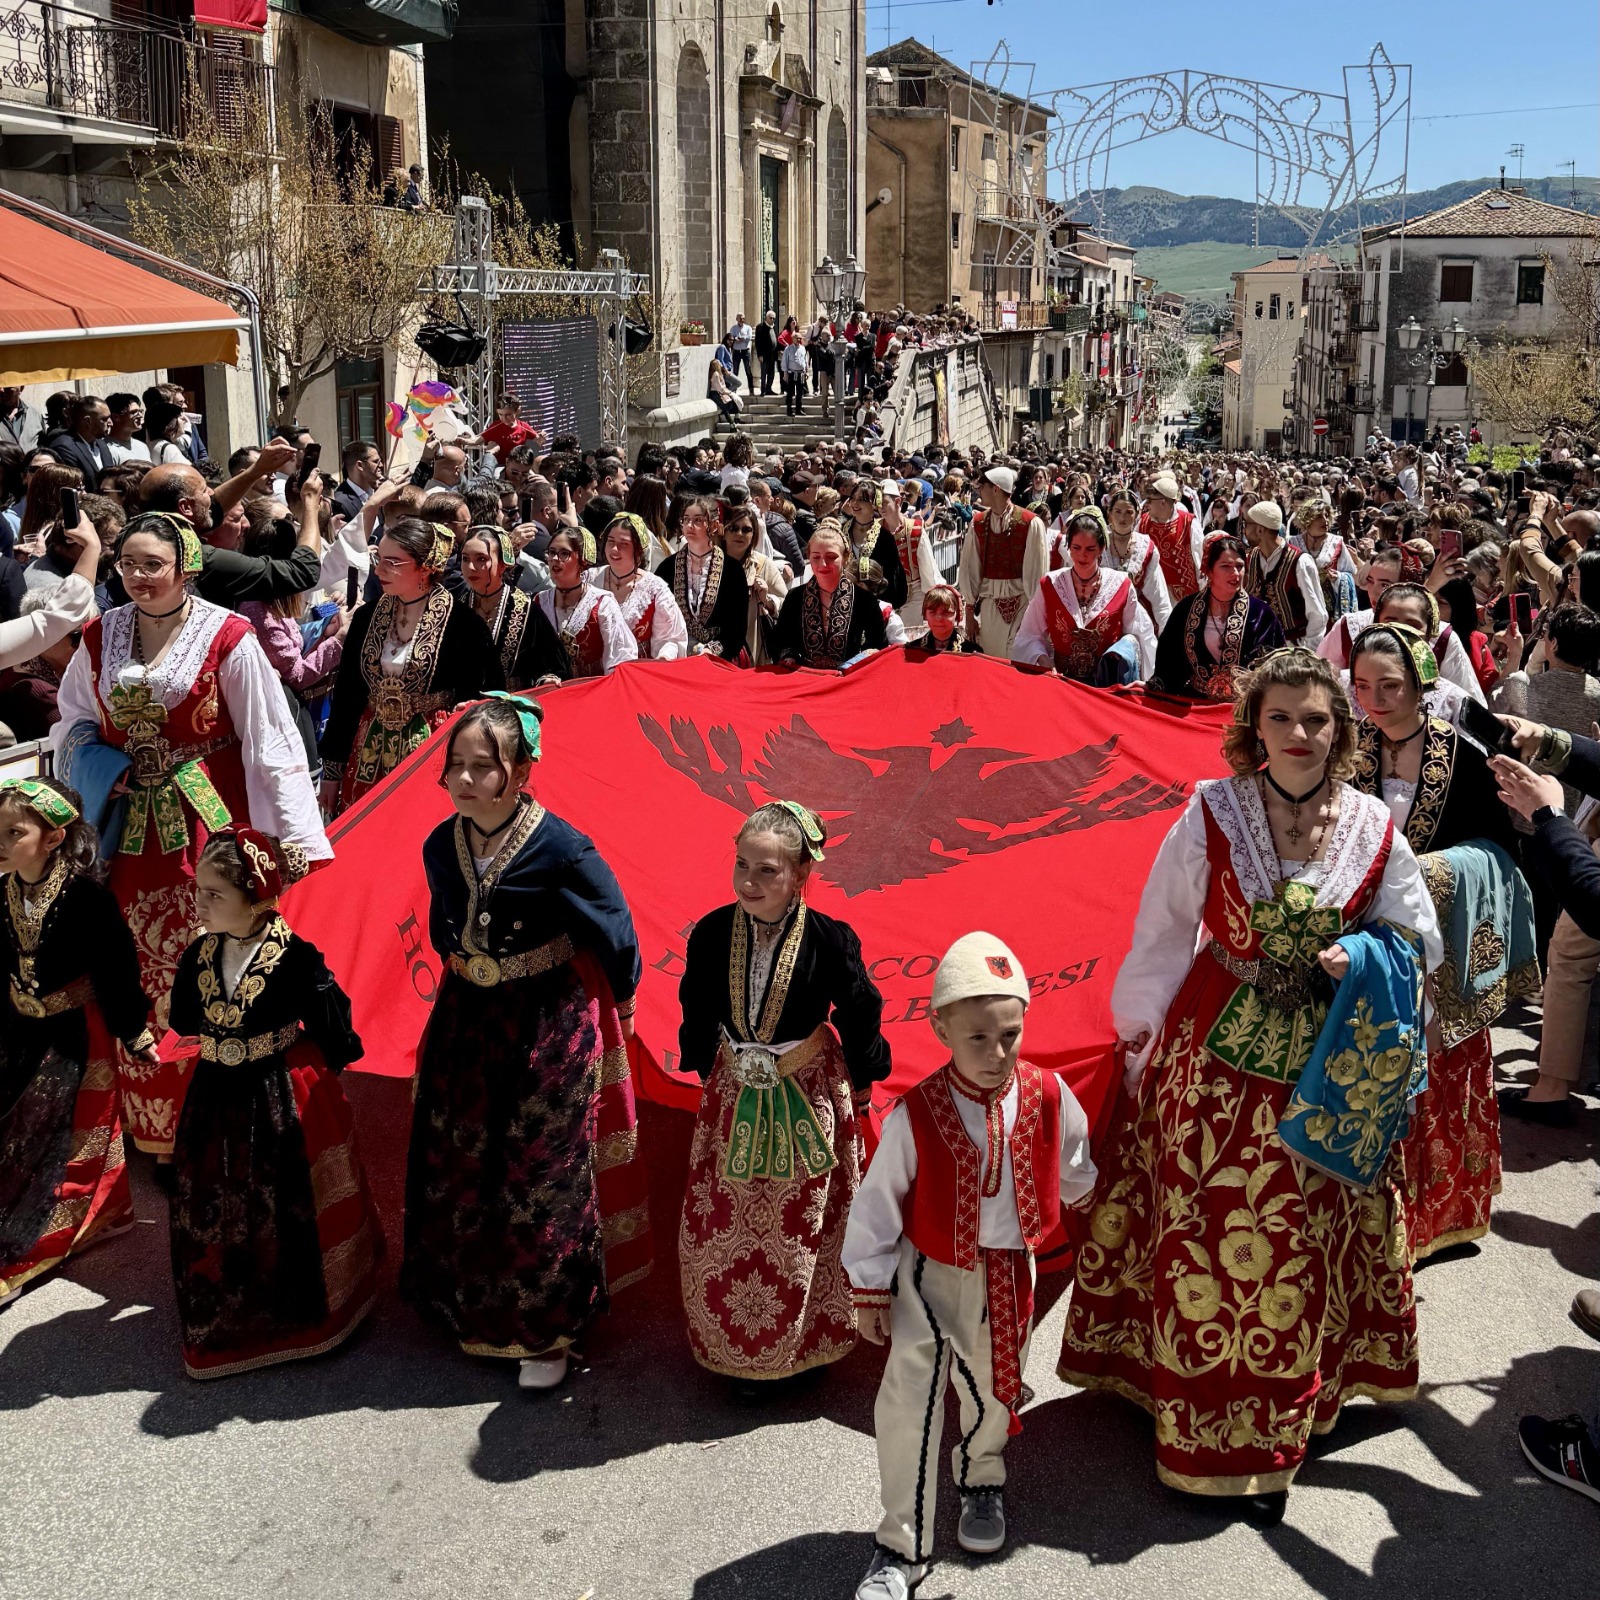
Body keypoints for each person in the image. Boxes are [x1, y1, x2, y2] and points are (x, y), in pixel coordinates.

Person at [1060, 649, 1441, 1514]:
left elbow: (1418, 940)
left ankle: (1294, 1403)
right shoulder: (1210, 810)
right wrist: (1140, 1035)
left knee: (1309, 1231)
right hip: (1214, 1055)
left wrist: (1369, 954)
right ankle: (1189, 1400)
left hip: (1327, 1060)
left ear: (1341, 730)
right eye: (1281, 718)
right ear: (1252, 728)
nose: (1300, 735)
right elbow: (1162, 928)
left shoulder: (1377, 828)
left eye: (1316, 720)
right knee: (1206, 1223)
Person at [51, 512, 331, 1155]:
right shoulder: (100, 636)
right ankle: (146, 1128)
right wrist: (101, 765)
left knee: (206, 956)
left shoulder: (228, 636)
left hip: (207, 825)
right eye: (127, 565)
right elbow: (71, 722)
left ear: (186, 567)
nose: (139, 577)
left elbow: (270, 740)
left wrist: (292, 838)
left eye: (153, 564)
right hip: (123, 836)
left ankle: (214, 1119)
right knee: (126, 963)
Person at [403, 696, 651, 1389]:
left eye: (484, 767)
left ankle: (550, 1331)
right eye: (456, 765)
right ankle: (471, 1306)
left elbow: (615, 928)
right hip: (466, 1018)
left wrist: (623, 1007)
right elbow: (445, 926)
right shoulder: (438, 845)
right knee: (462, 1157)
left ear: (522, 771)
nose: (464, 780)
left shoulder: (564, 849)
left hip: (546, 1020)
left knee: (542, 1172)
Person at [843, 932, 1097, 1597]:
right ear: (941, 1029)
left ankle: (981, 1479)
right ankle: (902, 1547)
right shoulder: (918, 1112)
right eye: (978, 1038)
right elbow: (878, 1201)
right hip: (927, 1277)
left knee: (993, 1389)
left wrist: (1089, 1202)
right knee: (910, 1401)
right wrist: (870, 1285)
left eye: (1009, 1034)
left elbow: (1075, 1164)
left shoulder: (1047, 1094)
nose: (997, 1053)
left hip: (1012, 1276)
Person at [677, 800, 889, 1383]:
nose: (750, 880)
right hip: (736, 1088)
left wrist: (867, 1076)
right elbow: (696, 1000)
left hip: (807, 1094)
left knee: (802, 1223)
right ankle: (730, 1345)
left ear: (801, 876)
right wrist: (704, 1062)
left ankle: (803, 1347)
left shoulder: (829, 938)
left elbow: (861, 1008)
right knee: (726, 1215)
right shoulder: (714, 931)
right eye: (742, 864)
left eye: (768, 870)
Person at [166, 829, 381, 1377]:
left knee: (284, 1198)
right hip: (215, 1090)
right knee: (212, 1192)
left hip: (276, 1092)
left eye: (215, 893)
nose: (201, 903)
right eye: (201, 890)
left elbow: (336, 1028)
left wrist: (320, 1074)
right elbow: (184, 1020)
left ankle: (295, 1309)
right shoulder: (199, 953)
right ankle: (227, 1300)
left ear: (257, 896)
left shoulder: (297, 960)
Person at [1347, 624, 1533, 1259]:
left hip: (1440, 946)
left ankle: (1440, 1217)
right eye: (1362, 684)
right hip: (1368, 940)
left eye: (1390, 686)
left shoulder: (1465, 756)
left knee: (1438, 1073)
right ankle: (1373, 1218)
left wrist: (1433, 874)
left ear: (1422, 683)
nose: (1374, 698)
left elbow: (1501, 853)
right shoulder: (1350, 750)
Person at [0, 776, 153, 1307]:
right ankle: (109, 1211)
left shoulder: (87, 898)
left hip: (74, 1033)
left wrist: (133, 1030)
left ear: (52, 839)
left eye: (11, 832)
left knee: (67, 1132)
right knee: (17, 1130)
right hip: (18, 1027)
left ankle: (43, 1240)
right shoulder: (4, 891)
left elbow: (117, 970)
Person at [319, 518, 503, 814]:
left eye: (393, 562)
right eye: (379, 559)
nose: (379, 570)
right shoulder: (367, 618)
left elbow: (485, 698)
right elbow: (347, 696)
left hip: (433, 751)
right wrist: (332, 772)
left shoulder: (464, 624)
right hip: (367, 751)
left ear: (426, 567)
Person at [1012, 509, 1156, 686]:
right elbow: (1029, 635)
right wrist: (1042, 659)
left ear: (1102, 548)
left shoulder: (1121, 585)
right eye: (1076, 548)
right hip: (1062, 685)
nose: (1082, 555)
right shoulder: (1050, 584)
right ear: (1068, 547)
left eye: (1090, 549)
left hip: (1106, 689)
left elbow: (1140, 636)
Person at [1150, 534, 1285, 700]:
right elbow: (1169, 661)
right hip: (1196, 704)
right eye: (1226, 566)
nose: (1235, 573)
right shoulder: (1186, 609)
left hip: (1243, 707)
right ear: (1209, 570)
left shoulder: (1261, 614)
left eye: (1239, 566)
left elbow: (1274, 666)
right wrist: (1153, 686)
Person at [459, 527, 571, 688]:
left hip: (513, 705)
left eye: (481, 559)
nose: (470, 567)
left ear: (503, 564)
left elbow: (553, 664)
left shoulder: (526, 610)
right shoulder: (459, 609)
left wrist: (547, 679)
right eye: (465, 559)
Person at [959, 466, 1048, 658]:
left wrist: (1036, 616)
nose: (979, 491)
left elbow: (1036, 574)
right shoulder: (978, 523)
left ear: (996, 489)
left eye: (982, 486)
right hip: (990, 605)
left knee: (1019, 659)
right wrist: (969, 613)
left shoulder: (1030, 523)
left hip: (1023, 603)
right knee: (993, 660)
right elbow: (970, 569)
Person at [773, 521, 888, 668]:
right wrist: (789, 656)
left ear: (846, 557)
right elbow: (780, 640)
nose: (823, 564)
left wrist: (853, 663)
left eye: (831, 557)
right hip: (805, 678)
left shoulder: (865, 600)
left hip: (847, 680)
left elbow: (878, 644)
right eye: (816, 557)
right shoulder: (795, 597)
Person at [586, 512, 688, 662]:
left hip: (636, 674)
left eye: (624, 544)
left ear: (639, 549)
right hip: (593, 676)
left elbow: (670, 639)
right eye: (610, 541)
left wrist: (663, 657)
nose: (614, 549)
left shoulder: (655, 589)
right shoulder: (589, 579)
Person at [655, 498, 749, 660]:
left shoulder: (732, 570)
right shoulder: (667, 568)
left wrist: (710, 651)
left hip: (721, 658)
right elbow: (660, 620)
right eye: (686, 520)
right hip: (678, 657)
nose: (690, 526)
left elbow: (737, 627)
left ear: (713, 525)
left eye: (698, 520)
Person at [1242, 499, 1327, 648]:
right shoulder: (1251, 557)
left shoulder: (1300, 562)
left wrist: (1308, 654)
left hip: (1291, 650)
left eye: (1247, 525)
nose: (1244, 530)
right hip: (1259, 648)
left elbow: (1317, 615)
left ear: (1260, 530)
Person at [719, 504, 788, 665]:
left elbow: (787, 602)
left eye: (746, 530)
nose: (739, 534)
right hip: (715, 649)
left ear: (754, 534)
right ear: (723, 531)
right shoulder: (708, 562)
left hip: (753, 652)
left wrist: (767, 599)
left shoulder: (764, 565)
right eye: (733, 528)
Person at [1102, 488, 1172, 632]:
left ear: (1136, 515)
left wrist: (1167, 632)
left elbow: (1159, 595)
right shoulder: (1099, 545)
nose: (1123, 518)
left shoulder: (1145, 547)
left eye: (1129, 512)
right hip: (1103, 619)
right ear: (1109, 514)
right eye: (1118, 512)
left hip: (1138, 621)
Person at [840, 481, 908, 609]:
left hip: (875, 602)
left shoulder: (885, 537)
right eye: (853, 498)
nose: (855, 503)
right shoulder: (842, 531)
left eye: (862, 499)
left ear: (874, 503)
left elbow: (891, 575)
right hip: (846, 599)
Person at [1138, 472, 1202, 605]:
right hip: (1150, 597)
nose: (1147, 504)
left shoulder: (1188, 523)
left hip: (1183, 599)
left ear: (1162, 502)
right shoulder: (1143, 522)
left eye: (1150, 500)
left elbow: (1200, 562)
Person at [1291, 499, 1358, 621]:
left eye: (1327, 516)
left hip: (1330, 609)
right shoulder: (1293, 543)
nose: (1325, 520)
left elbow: (1352, 574)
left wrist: (1338, 578)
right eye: (1319, 517)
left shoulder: (1337, 542)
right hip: (1301, 608)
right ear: (1308, 519)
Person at [905, 585, 981, 654]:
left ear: (957, 614)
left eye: (946, 612)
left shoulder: (972, 652)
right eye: (933, 612)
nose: (939, 618)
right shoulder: (912, 650)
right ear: (925, 615)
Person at [781, 331, 810, 418]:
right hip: (791, 372)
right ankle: (789, 410)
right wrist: (785, 373)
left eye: (800, 338)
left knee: (800, 393)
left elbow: (805, 360)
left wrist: (806, 371)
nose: (799, 340)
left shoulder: (803, 348)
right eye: (797, 338)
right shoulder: (788, 349)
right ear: (793, 339)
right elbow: (784, 361)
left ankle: (798, 409)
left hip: (801, 373)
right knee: (790, 392)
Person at [725, 313, 755, 387]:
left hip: (745, 351)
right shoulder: (733, 328)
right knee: (735, 371)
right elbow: (731, 337)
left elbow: (749, 337)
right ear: (737, 319)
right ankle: (734, 388)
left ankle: (751, 389)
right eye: (740, 318)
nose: (742, 320)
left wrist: (742, 338)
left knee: (748, 370)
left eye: (743, 318)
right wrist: (735, 338)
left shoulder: (748, 328)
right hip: (736, 351)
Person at [755, 311, 780, 396]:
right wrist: (759, 354)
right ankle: (763, 390)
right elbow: (758, 342)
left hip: (773, 355)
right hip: (764, 355)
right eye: (770, 318)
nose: (772, 319)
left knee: (771, 373)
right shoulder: (760, 327)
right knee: (763, 373)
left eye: (773, 318)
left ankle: (769, 388)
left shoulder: (774, 327)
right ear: (766, 318)